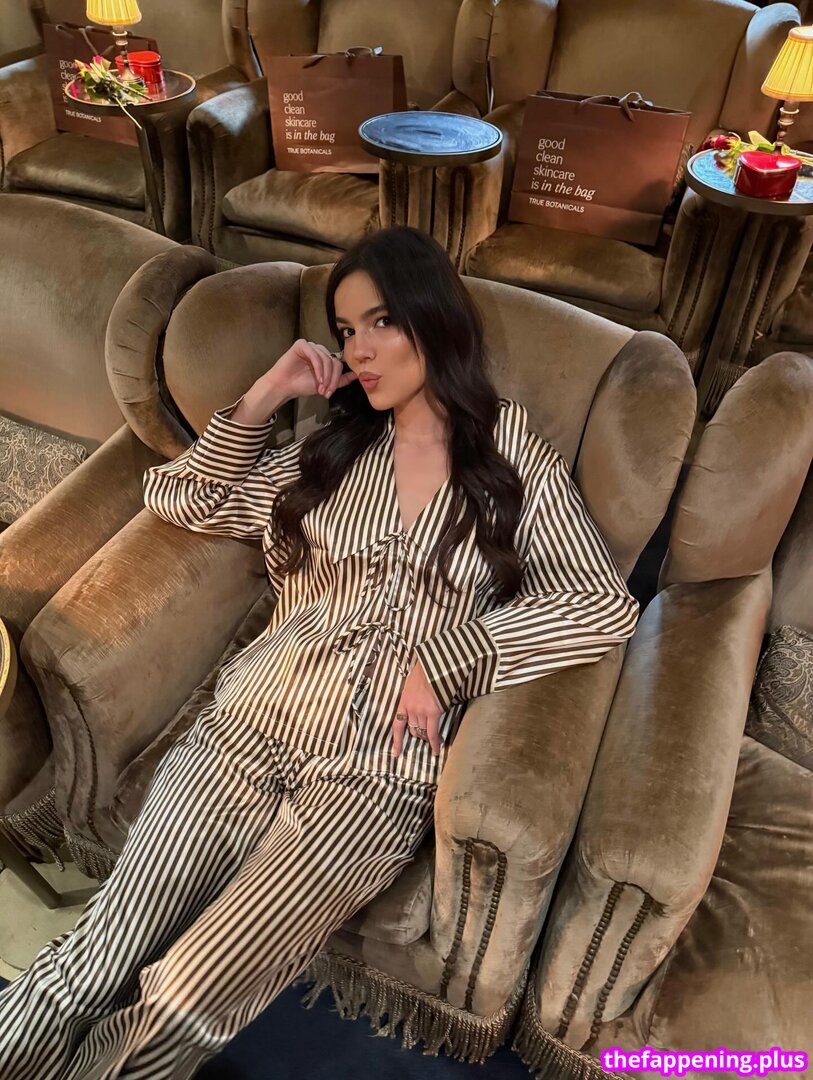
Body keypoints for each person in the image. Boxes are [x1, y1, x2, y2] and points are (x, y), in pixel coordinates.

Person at [0, 226, 639, 1079]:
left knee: (187, 997)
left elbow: (598, 603)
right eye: (344, 331)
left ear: (434, 320)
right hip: (245, 729)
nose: (359, 350)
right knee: (96, 955)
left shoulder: (510, 455)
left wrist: (451, 658)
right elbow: (182, 499)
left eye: (380, 322)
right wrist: (264, 396)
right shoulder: (328, 450)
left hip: (375, 771)